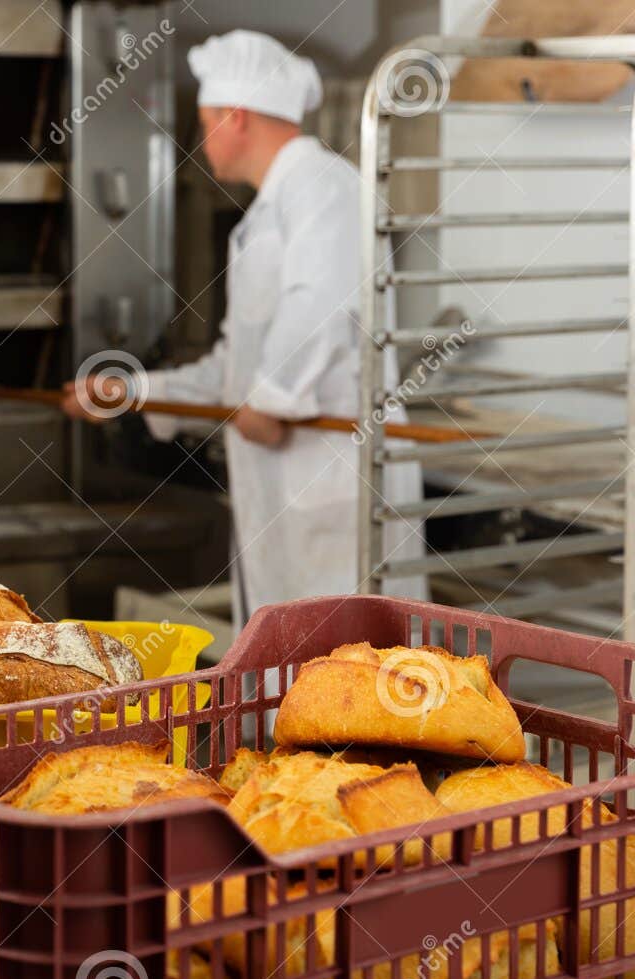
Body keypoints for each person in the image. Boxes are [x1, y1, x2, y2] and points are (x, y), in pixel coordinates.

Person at [63, 30, 424, 620]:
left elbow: (322, 304)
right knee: (300, 674)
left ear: (235, 116)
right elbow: (236, 368)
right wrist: (131, 392)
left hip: (336, 481)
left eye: (205, 121)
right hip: (285, 492)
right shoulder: (270, 210)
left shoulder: (323, 187)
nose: (202, 139)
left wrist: (273, 398)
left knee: (360, 674)